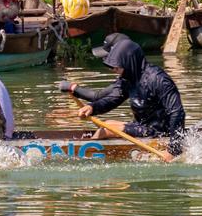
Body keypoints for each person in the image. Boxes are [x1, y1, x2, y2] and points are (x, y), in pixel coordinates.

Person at [57, 33, 186, 146]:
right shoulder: (129, 79)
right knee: (107, 124)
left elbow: (177, 113)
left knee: (106, 130)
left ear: (128, 61)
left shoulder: (158, 79)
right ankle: (91, 149)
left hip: (162, 131)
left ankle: (86, 154)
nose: (115, 71)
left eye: (118, 67)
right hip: (144, 127)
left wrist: (173, 149)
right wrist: (92, 107)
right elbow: (111, 100)